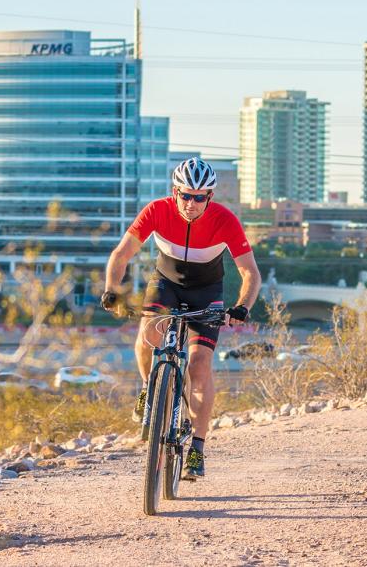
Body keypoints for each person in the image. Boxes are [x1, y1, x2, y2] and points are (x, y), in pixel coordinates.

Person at [100, 157, 260, 480]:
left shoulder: (225, 220)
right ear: (175, 192)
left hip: (207, 290)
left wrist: (241, 307)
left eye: (199, 198)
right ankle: (149, 388)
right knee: (147, 335)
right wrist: (111, 291)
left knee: (200, 364)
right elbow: (121, 255)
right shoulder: (157, 210)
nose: (191, 204)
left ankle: (197, 448)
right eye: (185, 195)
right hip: (165, 285)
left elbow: (250, 274)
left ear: (209, 198)